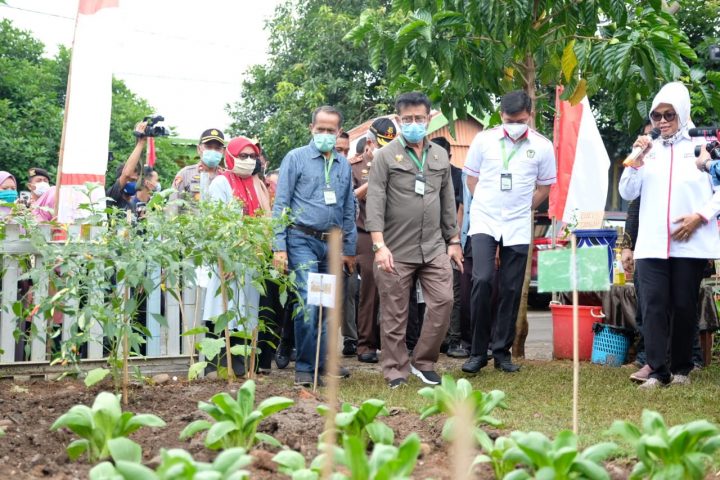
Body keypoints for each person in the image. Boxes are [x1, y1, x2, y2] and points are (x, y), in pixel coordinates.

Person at [619, 81, 720, 389]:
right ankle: (658, 369)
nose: (662, 122)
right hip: (651, 243)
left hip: (689, 242)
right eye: (657, 115)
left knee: (683, 305)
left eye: (669, 115)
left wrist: (699, 217)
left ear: (683, 114)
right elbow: (626, 190)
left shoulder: (702, 146)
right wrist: (636, 158)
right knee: (652, 305)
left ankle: (680, 370)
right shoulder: (647, 150)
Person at [366, 92, 462, 388]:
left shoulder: (439, 155)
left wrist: (454, 240)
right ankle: (395, 369)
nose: (413, 124)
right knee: (395, 313)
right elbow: (375, 199)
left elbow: (448, 199)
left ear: (429, 118)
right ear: (398, 120)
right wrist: (379, 246)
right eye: (407, 119)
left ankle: (423, 361)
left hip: (433, 247)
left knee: (444, 301)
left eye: (419, 119)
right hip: (396, 248)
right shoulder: (385, 156)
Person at [462, 90, 557, 375]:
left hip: (517, 224)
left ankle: (502, 352)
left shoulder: (542, 146)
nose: (514, 124)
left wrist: (524, 207)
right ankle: (478, 352)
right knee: (482, 279)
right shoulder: (484, 140)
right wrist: (485, 202)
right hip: (485, 220)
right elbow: (470, 178)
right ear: (501, 115)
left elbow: (545, 186)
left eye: (519, 119)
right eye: (508, 119)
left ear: (530, 115)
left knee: (511, 288)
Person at [272, 105, 357, 387]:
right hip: (301, 240)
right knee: (308, 303)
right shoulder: (295, 159)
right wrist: (279, 246)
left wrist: (348, 248)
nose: (324, 134)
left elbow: (348, 208)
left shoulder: (343, 164)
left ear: (338, 132)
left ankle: (321, 365)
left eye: (330, 131)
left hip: (330, 245)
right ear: (311, 128)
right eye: (319, 129)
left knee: (325, 307)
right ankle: (305, 369)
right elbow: (281, 204)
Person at [204, 137, 272, 376]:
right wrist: (228, 257)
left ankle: (240, 360)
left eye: (252, 156)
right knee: (221, 306)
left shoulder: (255, 184)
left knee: (246, 307)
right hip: (227, 257)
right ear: (230, 156)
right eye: (243, 156)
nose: (248, 161)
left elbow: (266, 219)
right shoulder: (221, 183)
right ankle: (215, 362)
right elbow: (215, 223)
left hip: (251, 257)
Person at [351, 118, 397, 363]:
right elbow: (347, 198)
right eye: (382, 143)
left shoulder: (398, 163)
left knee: (395, 290)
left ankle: (391, 343)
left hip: (394, 234)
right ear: (369, 142)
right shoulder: (355, 166)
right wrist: (372, 182)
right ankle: (365, 344)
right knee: (370, 287)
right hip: (365, 235)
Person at [431, 136, 469, 358]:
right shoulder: (421, 172)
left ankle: (454, 339)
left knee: (452, 291)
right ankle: (434, 339)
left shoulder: (458, 176)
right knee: (426, 295)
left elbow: (461, 208)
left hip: (450, 241)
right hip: (423, 239)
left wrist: (455, 239)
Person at [172, 128, 225, 203]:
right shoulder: (185, 174)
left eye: (217, 148)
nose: (213, 151)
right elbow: (173, 204)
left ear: (223, 151)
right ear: (199, 149)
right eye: (208, 147)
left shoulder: (226, 177)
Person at [107, 121, 148, 211]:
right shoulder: (112, 196)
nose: (135, 184)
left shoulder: (132, 205)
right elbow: (126, 175)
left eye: (135, 180)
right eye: (131, 180)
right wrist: (141, 142)